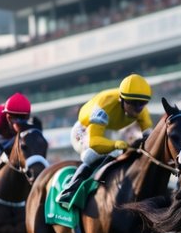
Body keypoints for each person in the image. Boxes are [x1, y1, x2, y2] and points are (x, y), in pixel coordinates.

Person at [57, 74, 153, 208]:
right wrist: (115, 144)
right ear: (121, 99)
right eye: (132, 103)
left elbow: (150, 138)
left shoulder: (142, 111)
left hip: (108, 130)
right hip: (85, 130)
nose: (137, 108)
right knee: (91, 155)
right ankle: (68, 192)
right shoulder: (104, 106)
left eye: (142, 103)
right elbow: (94, 142)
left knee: (119, 154)